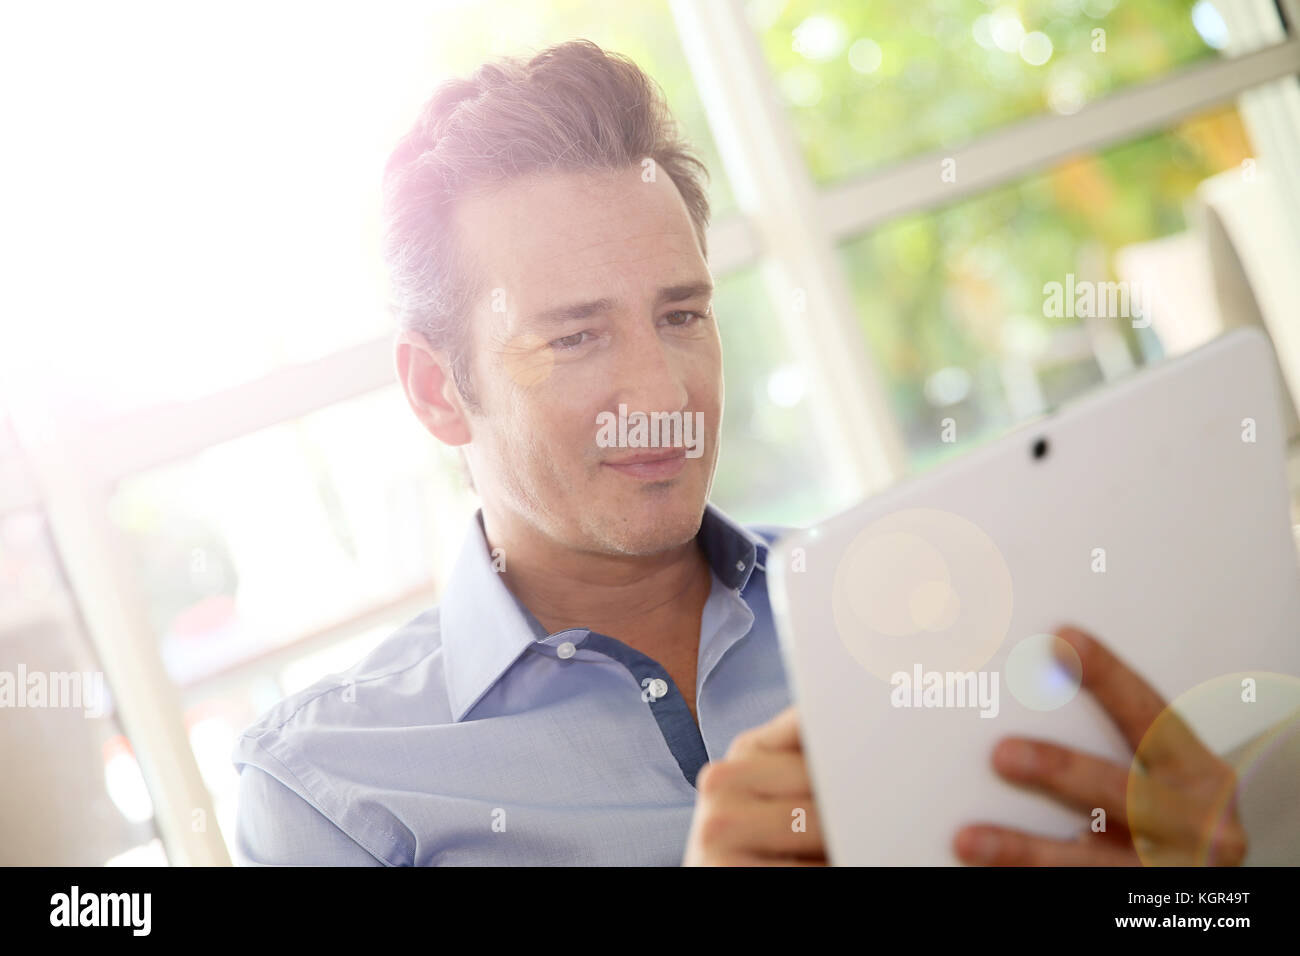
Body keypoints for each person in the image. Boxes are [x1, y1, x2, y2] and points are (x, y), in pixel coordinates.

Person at [232, 39, 1246, 866]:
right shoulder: (328, 789)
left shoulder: (933, 613)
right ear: (436, 390)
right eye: (576, 336)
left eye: (681, 314)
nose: (665, 395)